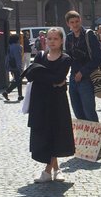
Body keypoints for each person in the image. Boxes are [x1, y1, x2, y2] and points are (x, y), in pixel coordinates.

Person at [24, 27, 73, 182]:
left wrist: (45, 77)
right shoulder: (40, 56)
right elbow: (32, 75)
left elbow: (59, 78)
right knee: (46, 135)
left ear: (61, 40)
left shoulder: (65, 58)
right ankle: (57, 169)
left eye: (55, 39)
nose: (52, 41)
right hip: (41, 102)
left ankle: (47, 171)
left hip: (57, 103)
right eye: (49, 38)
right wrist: (51, 79)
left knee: (56, 134)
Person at [63, 10, 101, 123]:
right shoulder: (69, 38)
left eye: (77, 21)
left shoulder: (89, 35)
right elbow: (68, 59)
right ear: (68, 24)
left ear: (80, 20)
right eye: (72, 22)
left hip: (87, 78)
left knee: (89, 112)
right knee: (77, 112)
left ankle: (94, 139)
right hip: (73, 78)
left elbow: (98, 58)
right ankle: (83, 140)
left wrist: (82, 72)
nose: (75, 24)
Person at [2, 33, 24, 101]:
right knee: (18, 80)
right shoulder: (17, 47)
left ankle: (20, 95)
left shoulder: (10, 46)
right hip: (16, 66)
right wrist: (20, 67)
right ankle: (7, 92)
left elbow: (7, 57)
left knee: (18, 80)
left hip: (11, 65)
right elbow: (18, 58)